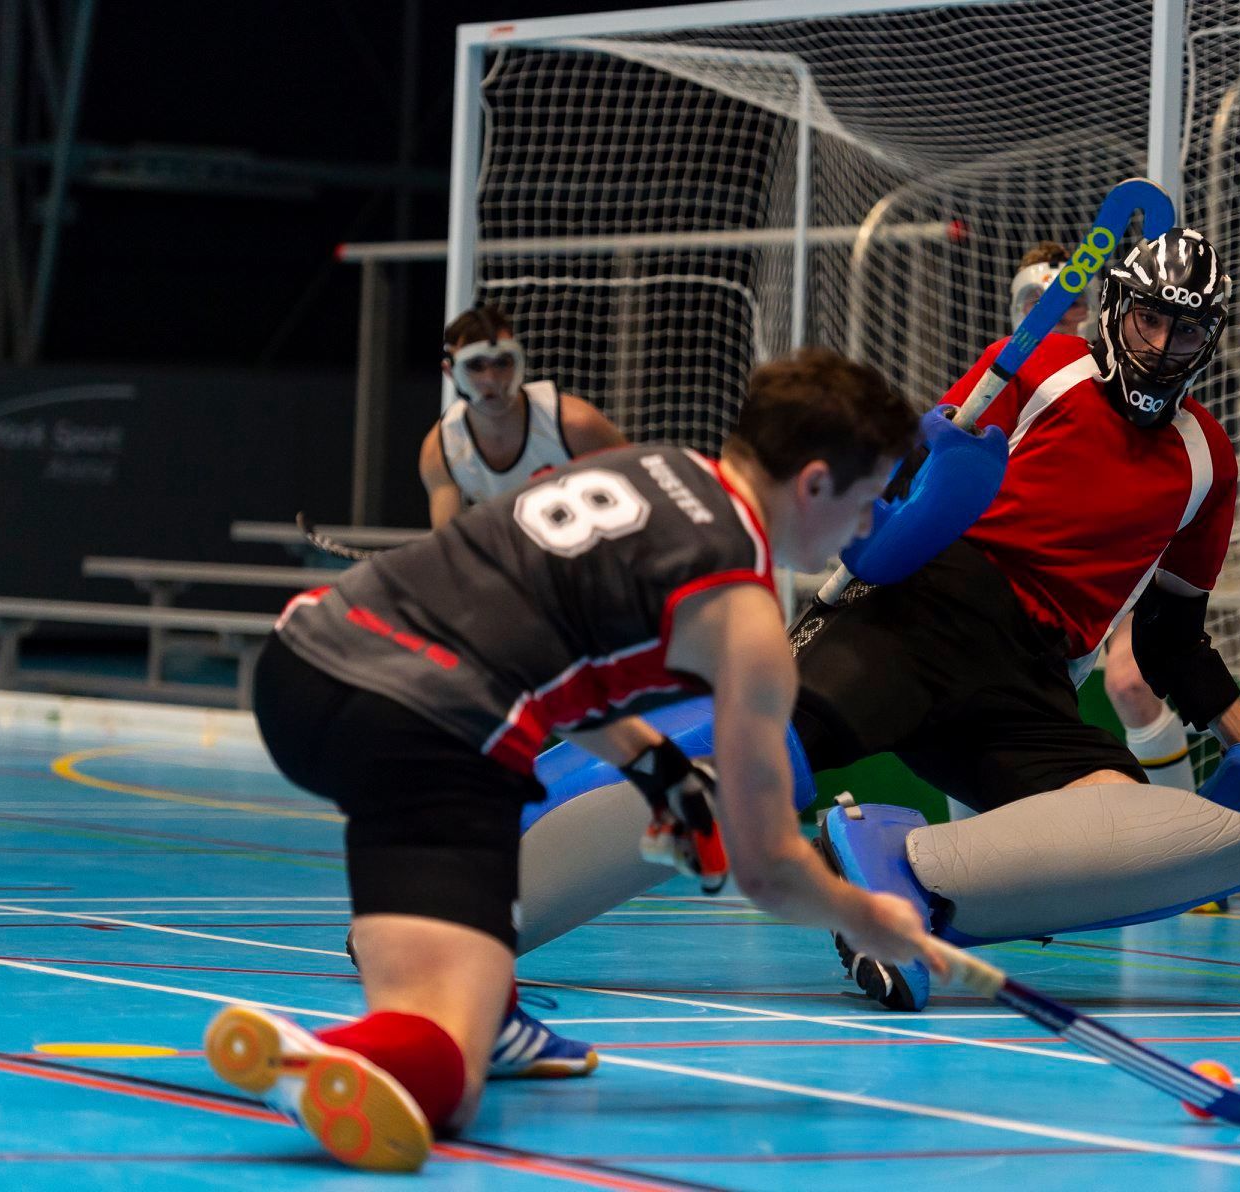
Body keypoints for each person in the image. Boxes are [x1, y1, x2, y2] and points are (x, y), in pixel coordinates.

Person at [512, 226, 1240, 1031]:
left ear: (1210, 337)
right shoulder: (1040, 366)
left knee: (1177, 840)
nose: (1160, 344)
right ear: (1114, 309)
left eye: (1185, 328)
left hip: (1033, 683)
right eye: (1148, 318)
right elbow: (911, 477)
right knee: (746, 762)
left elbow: (1170, 637)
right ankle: (463, 885)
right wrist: (925, 470)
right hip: (922, 610)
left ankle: (898, 874)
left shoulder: (1208, 462)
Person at [202, 348, 945, 1171]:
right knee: (445, 1068)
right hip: (427, 726)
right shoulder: (746, 617)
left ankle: (493, 1008)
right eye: (870, 502)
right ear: (812, 484)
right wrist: (866, 914)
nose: (870, 526)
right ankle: (351, 1054)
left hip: (303, 666)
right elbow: (767, 869)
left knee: (461, 959)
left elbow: (547, 646)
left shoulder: (648, 465)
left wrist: (657, 767)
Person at [1010, 240, 1197, 795]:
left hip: (1129, 563)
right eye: (1039, 302)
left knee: (1132, 682)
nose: (1058, 315)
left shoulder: (1139, 377)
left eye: (1070, 302)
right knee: (971, 696)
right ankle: (964, 878)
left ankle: (1190, 859)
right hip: (1037, 578)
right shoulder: (1006, 380)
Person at [419, 305, 627, 527]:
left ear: (519, 362)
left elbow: (641, 487)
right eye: (476, 366)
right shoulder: (441, 451)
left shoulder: (575, 425)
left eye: (502, 362)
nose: (491, 379)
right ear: (450, 372)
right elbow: (449, 551)